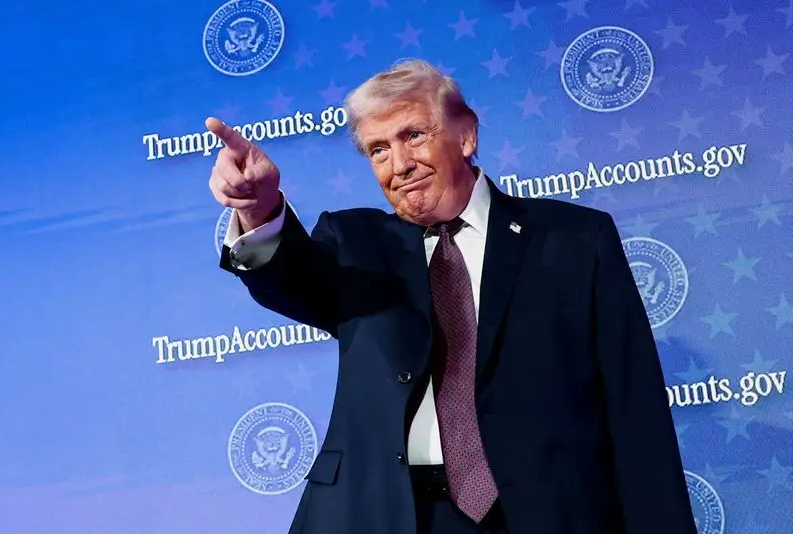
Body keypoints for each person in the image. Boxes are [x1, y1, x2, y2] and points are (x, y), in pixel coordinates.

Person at [206, 59, 696, 534]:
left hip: (542, 511)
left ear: (466, 136)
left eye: (413, 136)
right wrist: (261, 207)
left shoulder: (572, 239)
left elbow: (635, 408)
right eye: (378, 150)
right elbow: (292, 278)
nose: (399, 164)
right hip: (385, 513)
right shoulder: (354, 243)